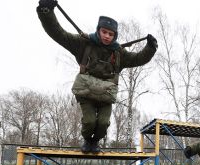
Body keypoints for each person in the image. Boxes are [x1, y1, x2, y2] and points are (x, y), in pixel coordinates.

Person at [37, 0, 157, 153]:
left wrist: (150, 48)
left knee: (103, 124)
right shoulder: (83, 44)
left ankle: (95, 142)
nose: (107, 36)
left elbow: (139, 58)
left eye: (111, 34)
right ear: (98, 30)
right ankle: (87, 141)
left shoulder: (119, 53)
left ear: (114, 36)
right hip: (86, 93)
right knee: (89, 121)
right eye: (104, 32)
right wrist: (46, 11)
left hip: (105, 96)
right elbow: (59, 34)